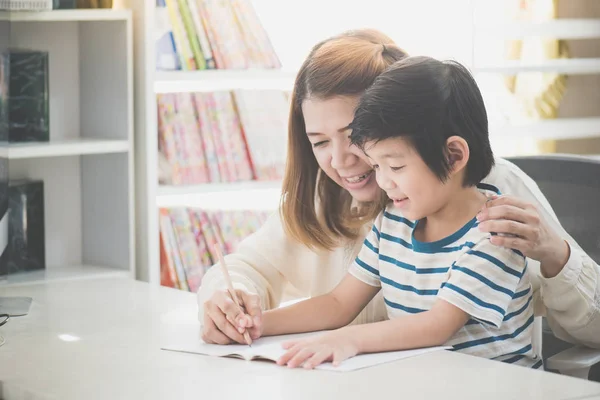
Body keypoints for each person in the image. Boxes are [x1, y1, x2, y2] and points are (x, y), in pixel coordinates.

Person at [197, 29, 600, 350]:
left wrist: (556, 254)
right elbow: (255, 272)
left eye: (355, 136)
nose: (339, 160)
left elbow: (439, 326)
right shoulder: (352, 207)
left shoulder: (491, 205)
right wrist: (233, 308)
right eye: (319, 142)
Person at [252, 55, 541, 369]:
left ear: (453, 156)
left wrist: (348, 339)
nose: (383, 181)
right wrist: (258, 324)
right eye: (376, 165)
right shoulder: (392, 223)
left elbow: (436, 326)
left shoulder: (495, 233)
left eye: (396, 166)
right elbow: (338, 304)